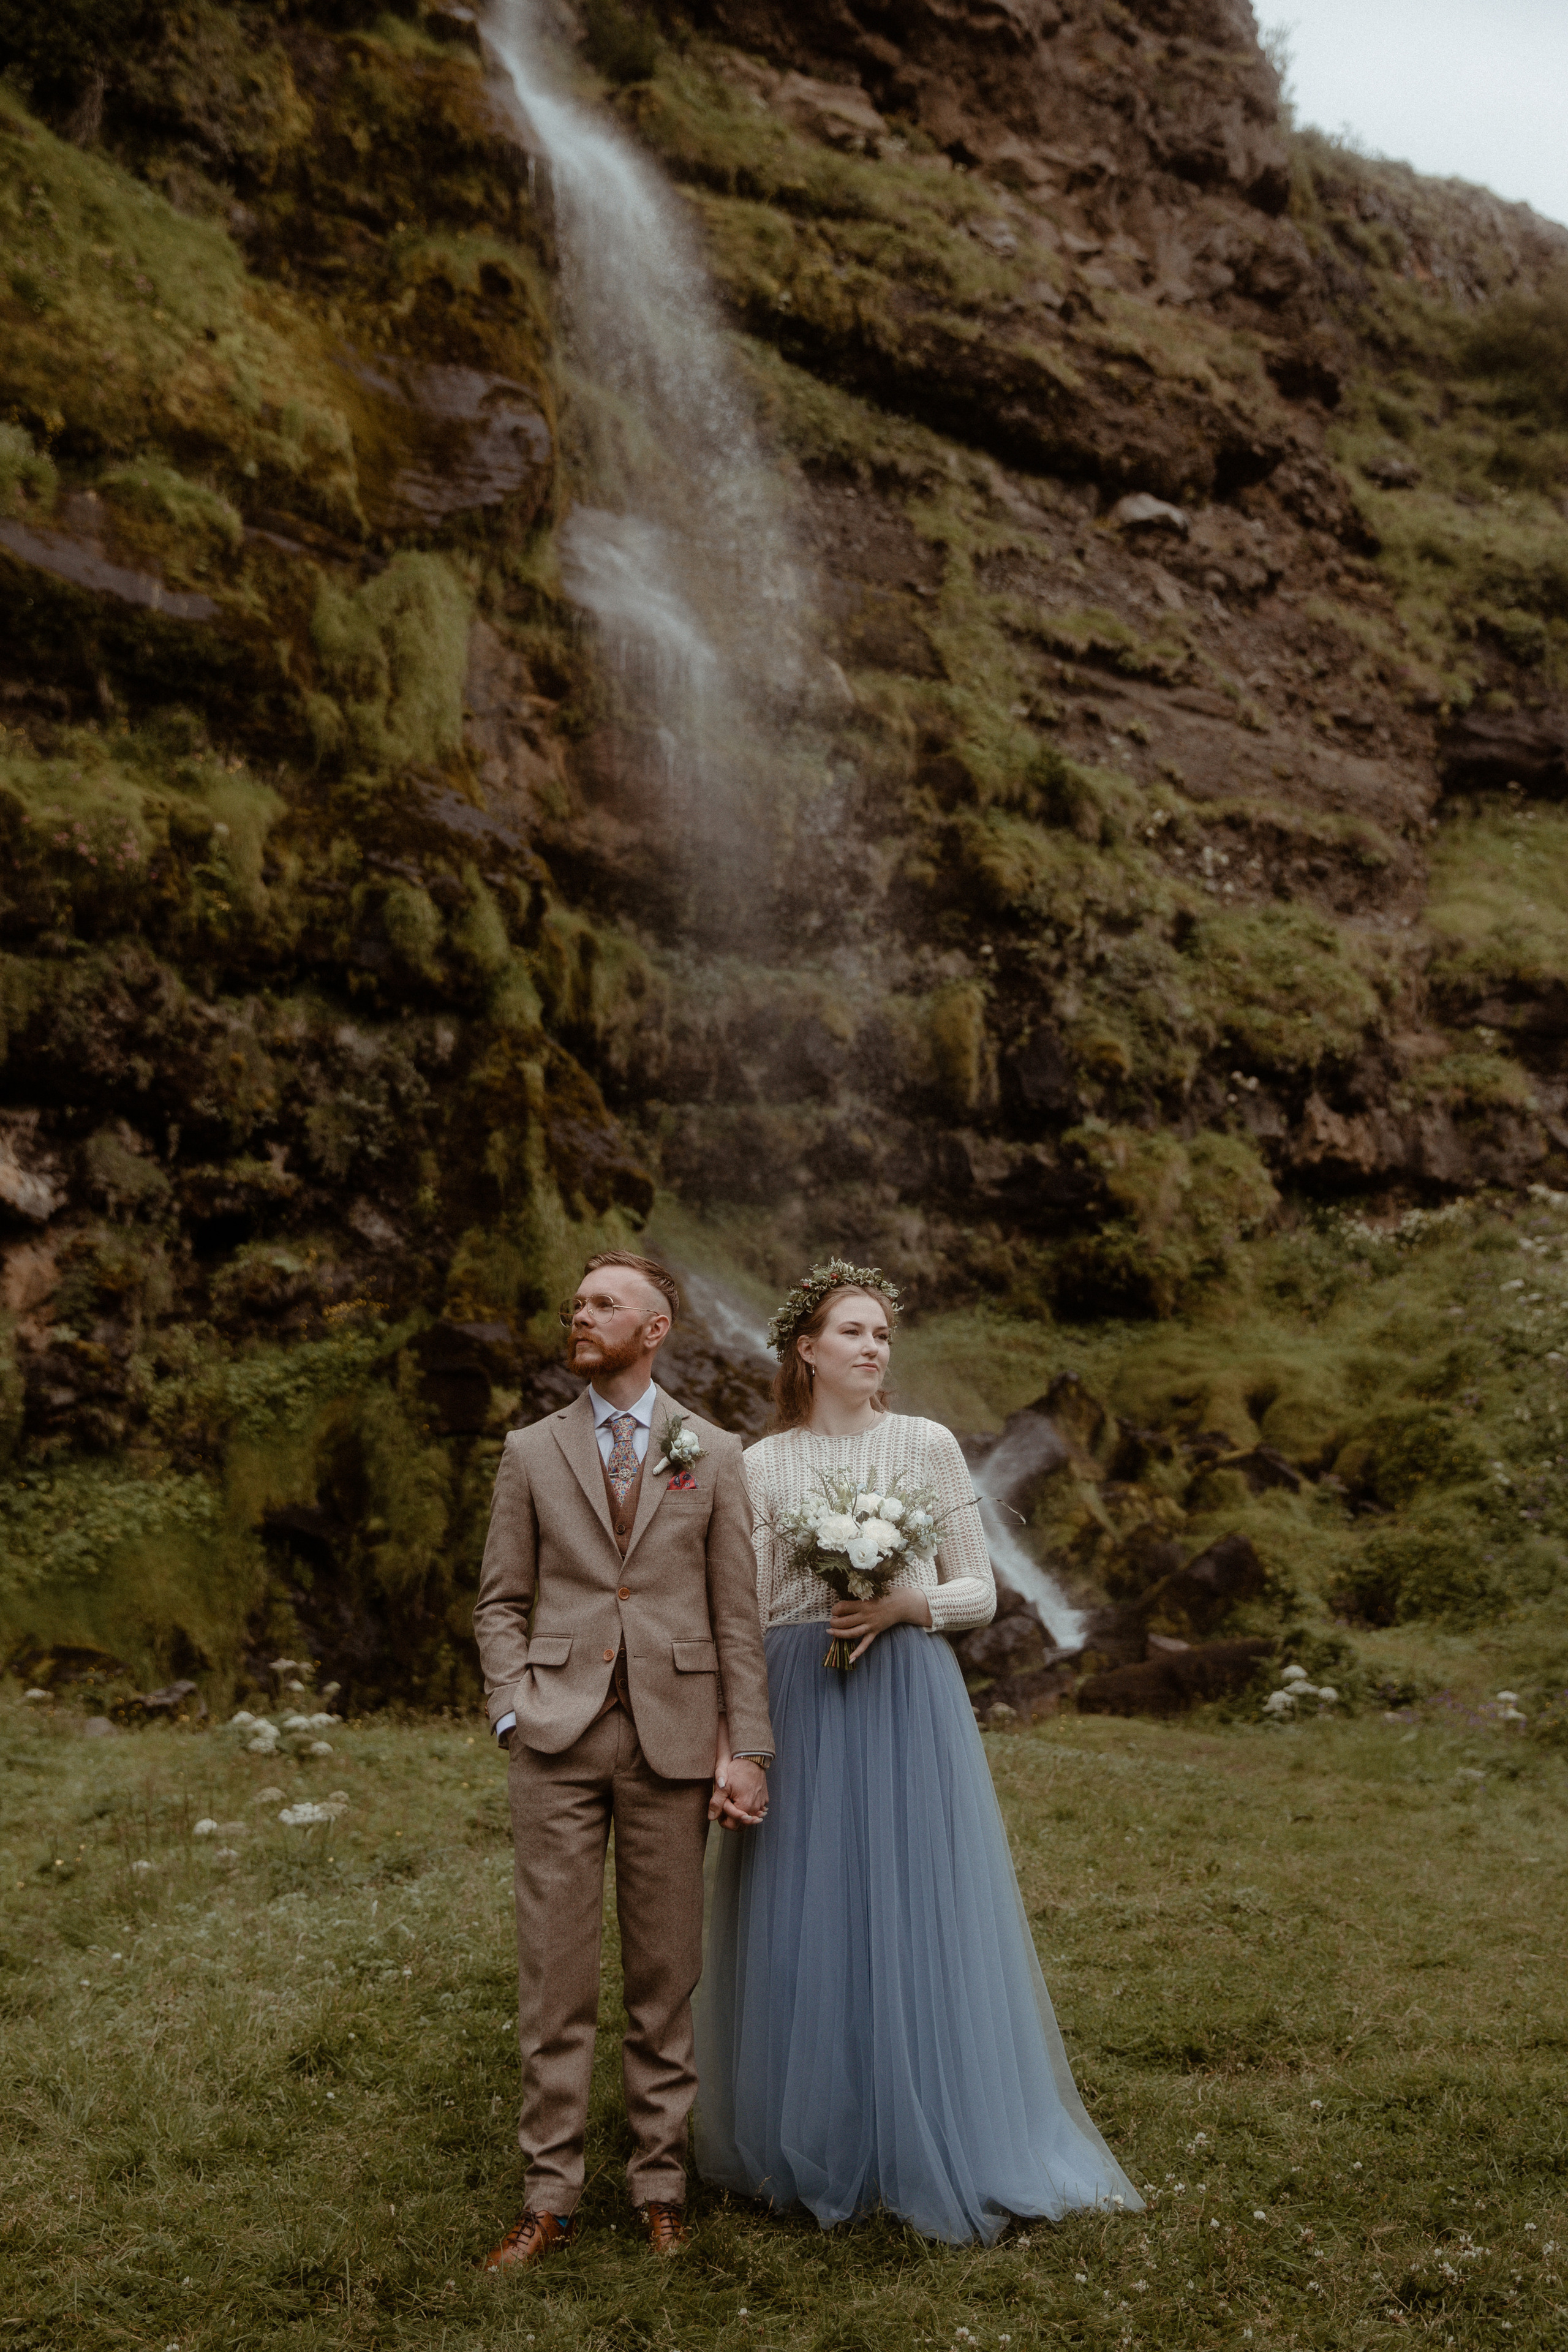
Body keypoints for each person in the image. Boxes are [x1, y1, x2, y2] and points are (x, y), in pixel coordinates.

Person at [694, 1257, 1143, 2245]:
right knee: (807, 1908)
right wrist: (743, 1732)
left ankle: (937, 2125)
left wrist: (904, 1605)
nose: (871, 1348)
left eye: (882, 1335)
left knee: (912, 1902)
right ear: (806, 1351)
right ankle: (817, 2131)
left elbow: (979, 1592)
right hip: (799, 1691)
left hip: (904, 1694)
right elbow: (750, 1607)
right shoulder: (763, 1466)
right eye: (851, 1332)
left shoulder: (926, 1445)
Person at [473, 1251, 774, 2267]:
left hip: (675, 1738)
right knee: (554, 1977)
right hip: (554, 1736)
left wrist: (750, 1751)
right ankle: (549, 2194)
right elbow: (500, 1603)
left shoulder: (713, 1453)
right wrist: (513, 1710)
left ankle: (660, 2186)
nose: (580, 1315)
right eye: (575, 1304)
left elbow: (740, 1617)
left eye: (603, 1303)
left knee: (665, 1975)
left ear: (654, 1329)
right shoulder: (529, 1451)